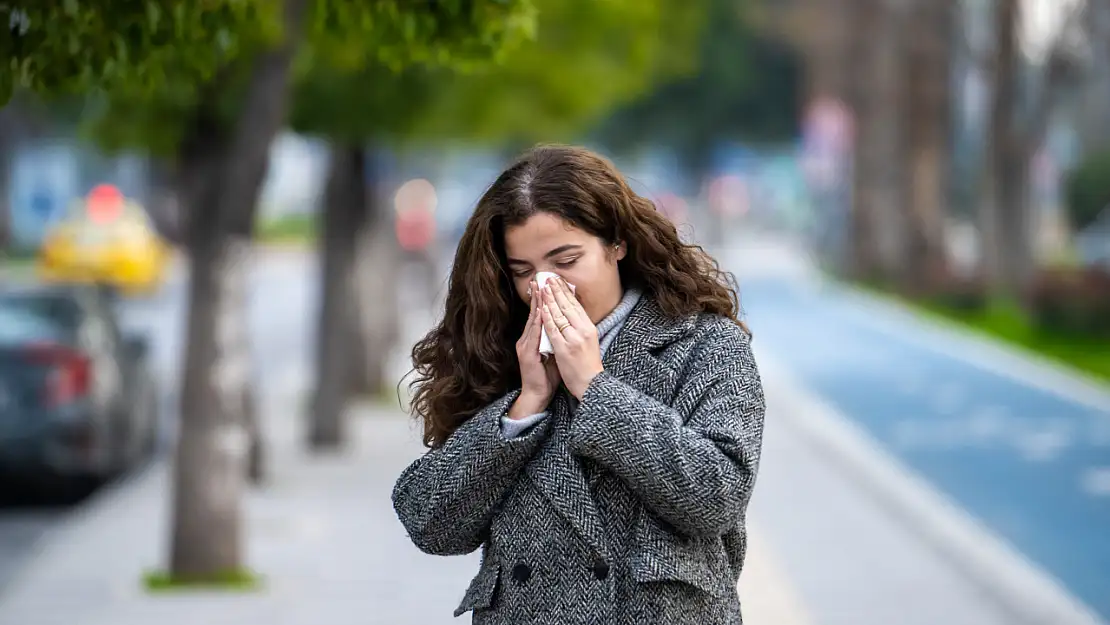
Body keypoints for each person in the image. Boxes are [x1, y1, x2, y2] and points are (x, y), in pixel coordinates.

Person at [392, 145, 765, 625]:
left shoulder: (705, 343)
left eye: (565, 260)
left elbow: (718, 495)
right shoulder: (498, 349)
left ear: (616, 244)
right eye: (523, 271)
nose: (544, 287)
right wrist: (525, 407)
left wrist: (595, 387)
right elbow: (430, 523)